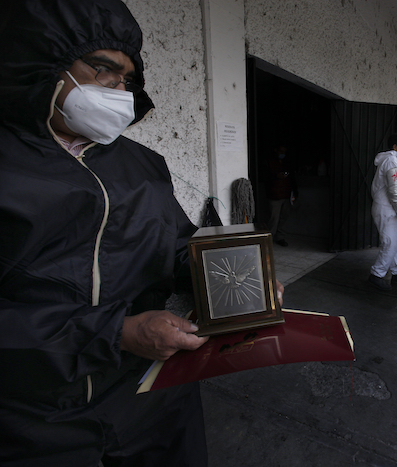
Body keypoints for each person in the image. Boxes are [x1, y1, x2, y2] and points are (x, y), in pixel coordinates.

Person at [0, 1, 286, 464]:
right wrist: (113, 334)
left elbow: (175, 244)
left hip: (152, 390)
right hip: (32, 416)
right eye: (102, 69)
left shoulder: (142, 164)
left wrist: (234, 278)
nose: (118, 88)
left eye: (128, 78)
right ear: (44, 59)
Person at [368, 133, 397, 291]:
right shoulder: (392, 161)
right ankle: (376, 275)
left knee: (396, 242)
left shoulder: (391, 160)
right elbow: (394, 190)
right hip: (386, 208)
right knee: (390, 242)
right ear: (395, 147)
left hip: (389, 208)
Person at [266, 144, 298, 247]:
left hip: (286, 194)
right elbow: (265, 177)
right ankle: (269, 239)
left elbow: (292, 178)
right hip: (274, 195)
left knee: (283, 218)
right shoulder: (270, 162)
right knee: (273, 219)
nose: (282, 154)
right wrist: (276, 176)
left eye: (284, 152)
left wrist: (295, 193)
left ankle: (279, 237)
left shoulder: (287, 163)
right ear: (276, 150)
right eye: (281, 152)